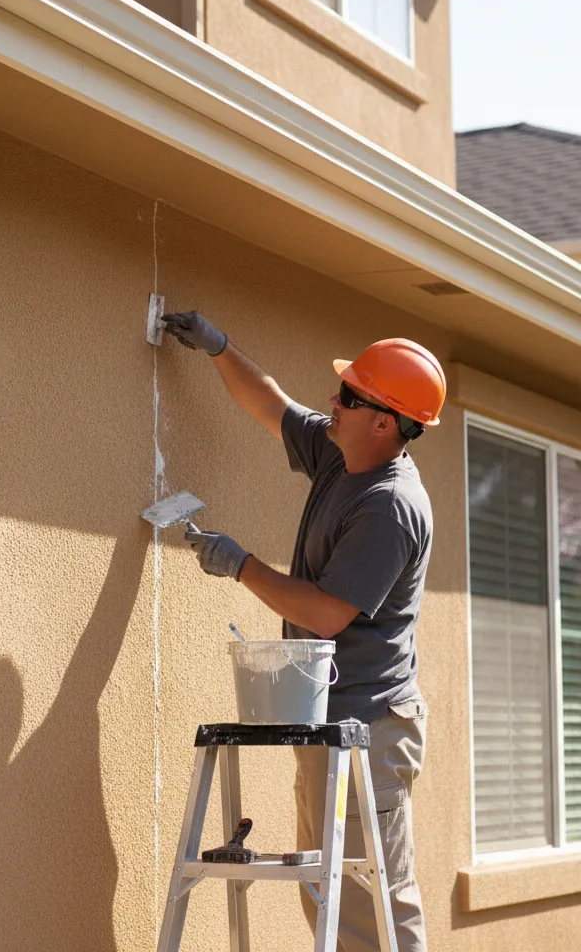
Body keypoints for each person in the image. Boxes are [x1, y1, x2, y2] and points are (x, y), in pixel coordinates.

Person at [161, 310, 445, 952]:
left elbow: (326, 614)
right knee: (328, 900)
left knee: (374, 906)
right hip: (330, 723)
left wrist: (241, 565)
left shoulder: (389, 506)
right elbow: (271, 405)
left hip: (368, 731)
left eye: (349, 395)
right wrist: (218, 347)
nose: (333, 402)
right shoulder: (342, 455)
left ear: (385, 422)